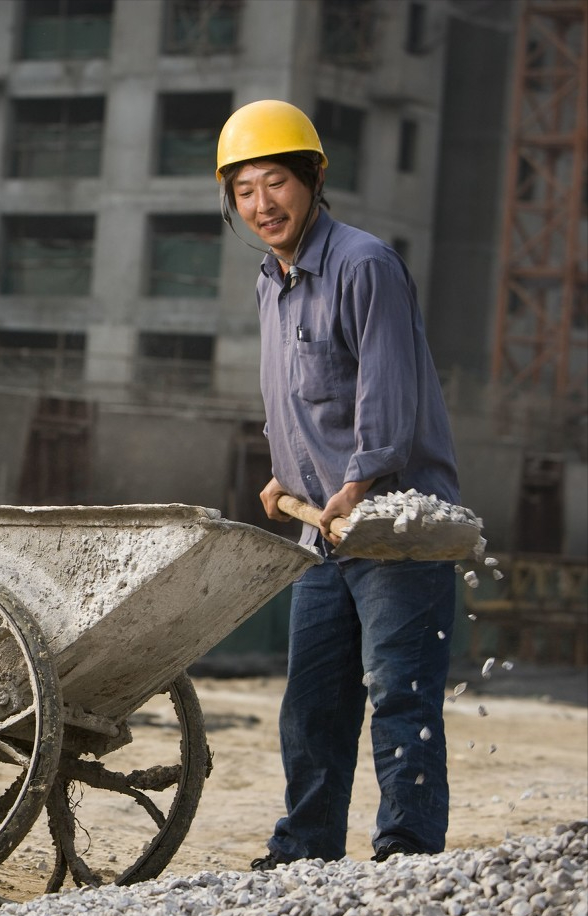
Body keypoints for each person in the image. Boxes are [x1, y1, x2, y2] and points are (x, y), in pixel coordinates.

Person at [214, 99, 462, 867]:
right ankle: (304, 850)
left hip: (394, 524)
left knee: (399, 693)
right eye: (244, 190)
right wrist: (284, 473)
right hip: (321, 530)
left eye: (276, 183)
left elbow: (385, 399)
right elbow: (299, 394)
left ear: (314, 179)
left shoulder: (362, 263)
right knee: (313, 703)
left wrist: (353, 484)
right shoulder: (270, 279)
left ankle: (405, 853)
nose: (262, 204)